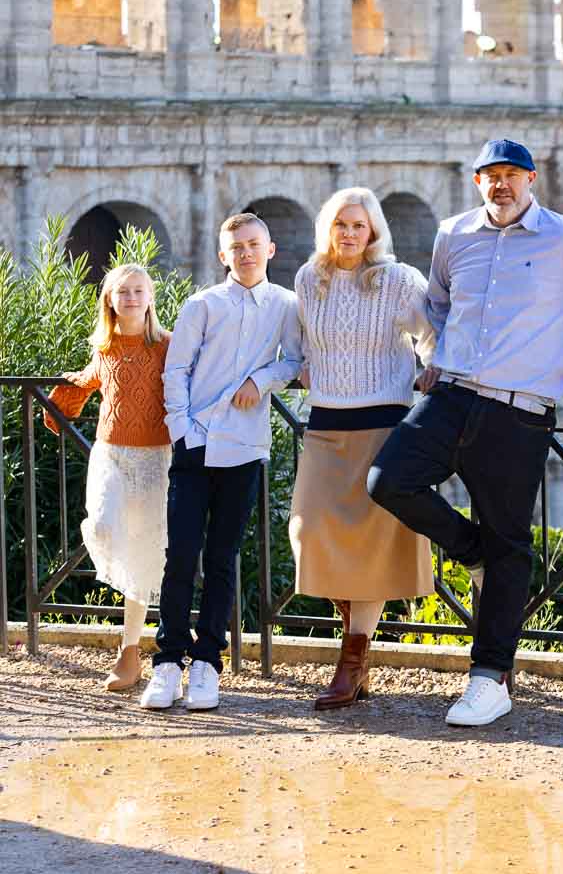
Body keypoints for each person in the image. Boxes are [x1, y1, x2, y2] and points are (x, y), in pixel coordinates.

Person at [367, 138, 563, 727]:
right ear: (477, 183)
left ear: (531, 178)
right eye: (490, 175)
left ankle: (489, 678)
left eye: (511, 174)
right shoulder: (453, 234)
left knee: (511, 543)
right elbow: (439, 302)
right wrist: (440, 354)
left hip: (519, 412)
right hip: (452, 394)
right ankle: (470, 551)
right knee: (387, 480)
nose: (501, 184)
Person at [140, 212, 302, 711]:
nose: (246, 253)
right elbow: (177, 369)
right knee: (181, 556)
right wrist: (181, 430)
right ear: (222, 255)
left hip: (245, 448)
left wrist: (264, 379)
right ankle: (168, 662)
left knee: (223, 556)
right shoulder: (201, 304)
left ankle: (208, 662)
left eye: (254, 244)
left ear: (270, 249)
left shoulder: (286, 305)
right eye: (237, 247)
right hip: (195, 445)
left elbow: (295, 360)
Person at [291, 188, 436, 709]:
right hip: (326, 421)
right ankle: (358, 632)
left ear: (373, 231)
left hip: (384, 424)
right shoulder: (310, 278)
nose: (349, 233)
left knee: (372, 548)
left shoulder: (399, 279)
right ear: (327, 229)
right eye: (340, 224)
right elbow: (301, 342)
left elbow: (431, 336)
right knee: (307, 531)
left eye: (358, 225)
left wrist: (432, 370)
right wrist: (299, 365)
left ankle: (351, 661)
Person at [44, 263, 171, 692]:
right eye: (123, 292)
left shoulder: (168, 345)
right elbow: (91, 378)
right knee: (101, 525)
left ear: (150, 298)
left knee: (144, 550)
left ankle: (130, 650)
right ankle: (133, 647)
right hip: (110, 454)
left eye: (139, 291)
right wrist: (65, 396)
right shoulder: (106, 346)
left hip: (156, 459)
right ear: (110, 301)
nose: (131, 298)